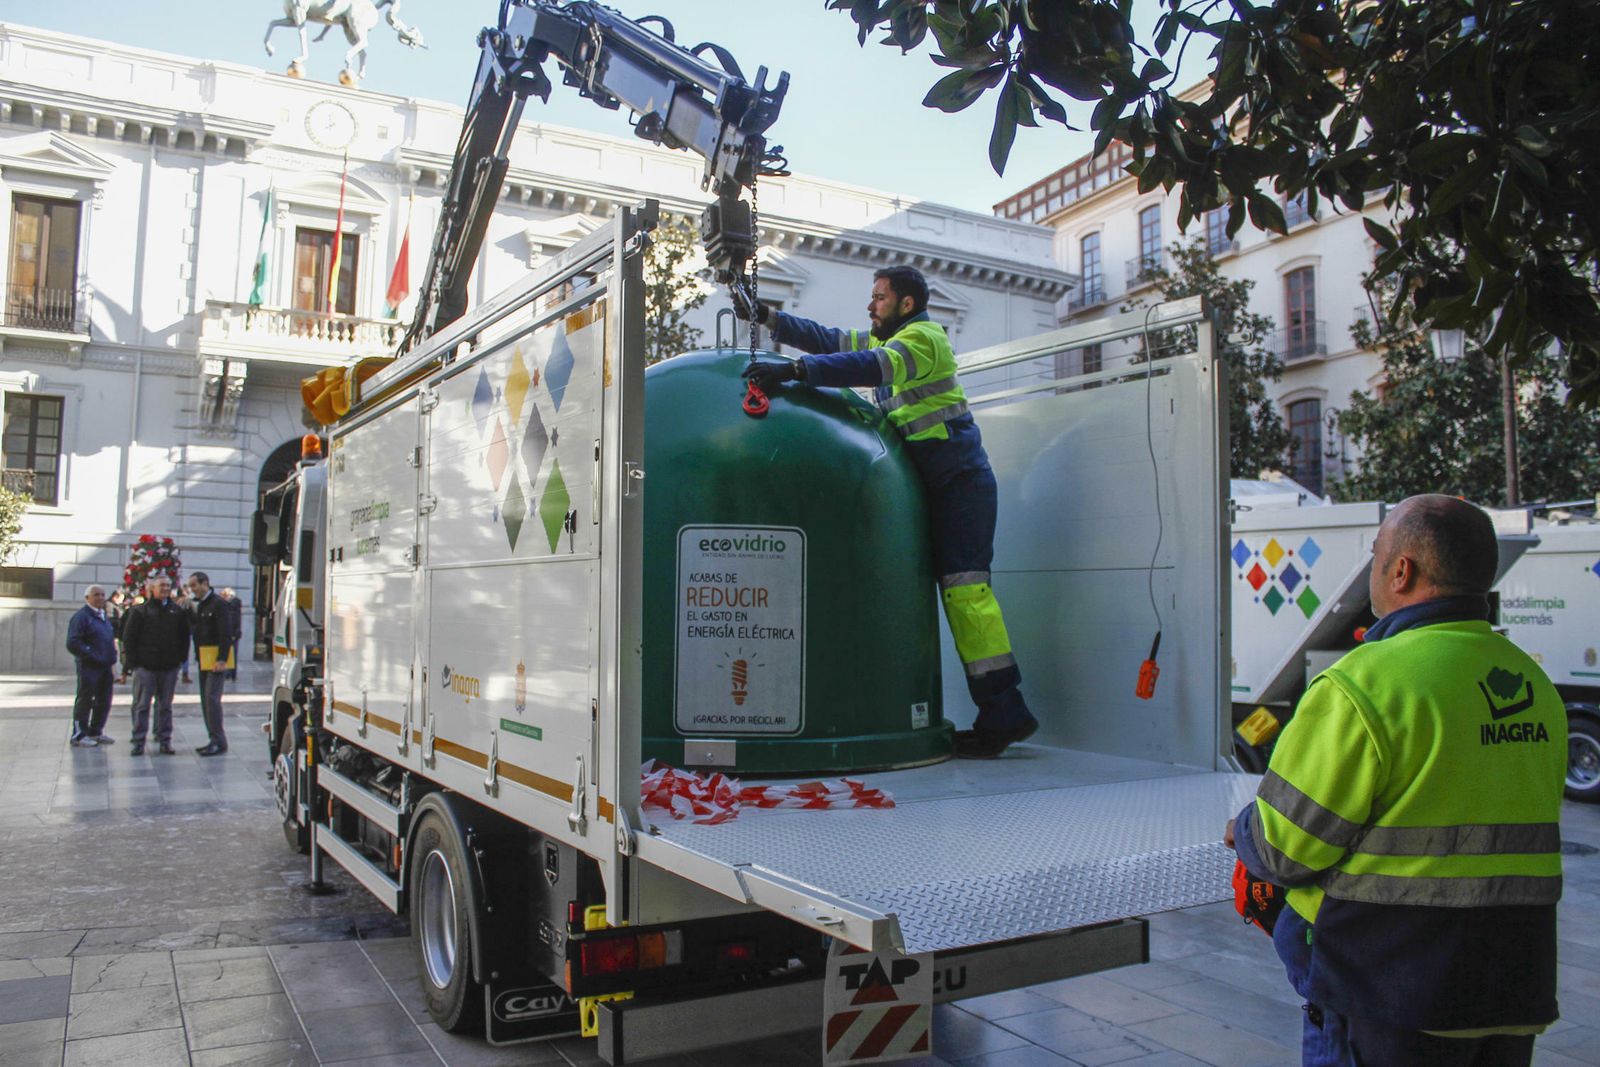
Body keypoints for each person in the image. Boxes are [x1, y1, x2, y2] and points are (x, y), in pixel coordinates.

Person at [1226, 494, 1565, 1065]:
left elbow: (1285, 850)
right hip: (1512, 985)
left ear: (1401, 570)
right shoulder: (1533, 684)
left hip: (1386, 993)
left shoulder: (1363, 684)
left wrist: (1243, 829)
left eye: (1376, 554)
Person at [739, 266, 1037, 758]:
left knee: (967, 595)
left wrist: (794, 372)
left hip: (960, 484)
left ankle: (1004, 714)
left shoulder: (923, 339)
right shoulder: (890, 335)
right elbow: (831, 341)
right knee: (954, 594)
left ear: (906, 303)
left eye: (879, 297)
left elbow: (869, 366)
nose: (870, 305)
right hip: (936, 482)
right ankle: (1002, 712)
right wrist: (770, 317)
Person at [120, 576, 190, 756]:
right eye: (161, 585)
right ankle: (138, 741)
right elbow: (129, 638)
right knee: (142, 705)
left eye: (168, 585)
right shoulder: (140, 611)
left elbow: (184, 637)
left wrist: (180, 660)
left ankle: (164, 740)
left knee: (165, 706)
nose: (165, 588)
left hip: (169, 667)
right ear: (152, 589)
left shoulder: (177, 611)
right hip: (145, 667)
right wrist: (133, 664)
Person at [186, 571, 234, 756]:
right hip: (204, 659)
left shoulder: (218, 604)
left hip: (215, 660)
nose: (192, 589)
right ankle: (213, 738)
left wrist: (222, 658)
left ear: (204, 583)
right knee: (206, 701)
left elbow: (226, 632)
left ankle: (218, 741)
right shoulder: (201, 604)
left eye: (194, 585)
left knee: (212, 700)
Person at [65, 585, 118, 747]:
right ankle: (79, 734)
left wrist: (111, 656)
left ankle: (95, 731)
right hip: (89, 666)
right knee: (85, 699)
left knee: (104, 699)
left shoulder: (103, 615)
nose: (100, 598)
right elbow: (73, 642)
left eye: (102, 595)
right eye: (96, 595)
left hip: (105, 666)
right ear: (87, 598)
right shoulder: (82, 617)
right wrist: (90, 654)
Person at [219, 587, 243, 681]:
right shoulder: (234, 606)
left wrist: (233, 634)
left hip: (232, 634)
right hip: (233, 633)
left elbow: (234, 621)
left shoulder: (232, 606)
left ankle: (230, 673)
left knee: (231, 653)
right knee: (232, 653)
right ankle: (231, 673)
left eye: (224, 595)